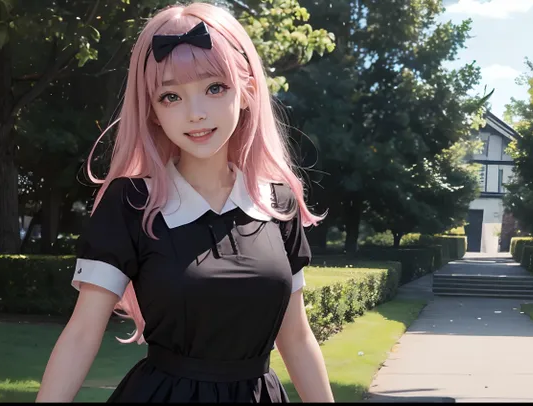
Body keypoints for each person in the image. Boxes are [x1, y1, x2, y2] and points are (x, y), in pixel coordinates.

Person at [35, 2, 334, 403]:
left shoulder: (276, 203)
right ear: (154, 112)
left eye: (214, 88)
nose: (195, 113)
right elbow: (82, 332)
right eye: (171, 96)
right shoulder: (131, 204)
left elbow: (296, 337)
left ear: (246, 92)